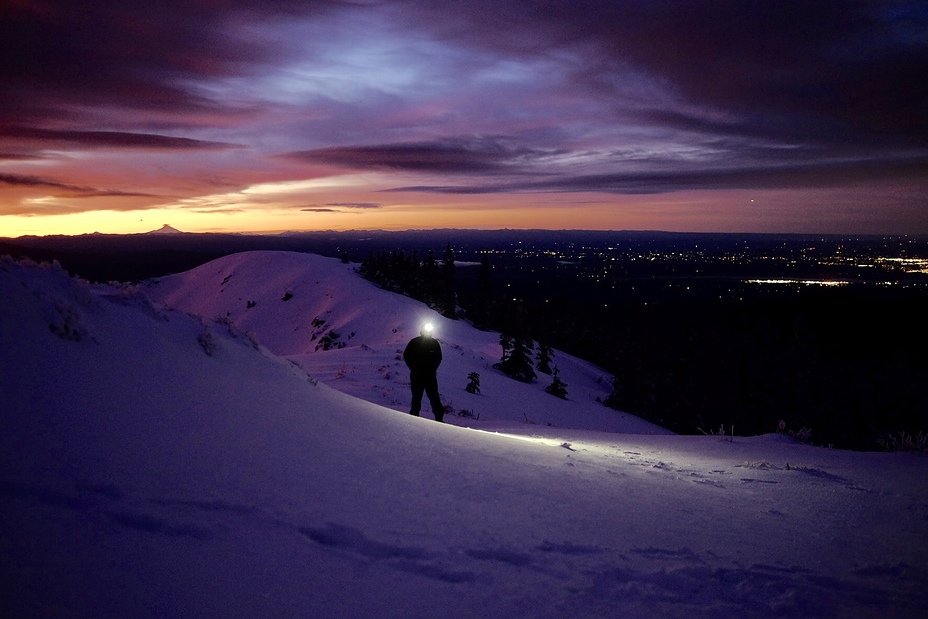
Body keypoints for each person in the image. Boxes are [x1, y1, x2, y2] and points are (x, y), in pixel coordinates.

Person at [403, 322, 445, 422]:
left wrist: (432, 369)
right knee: (416, 398)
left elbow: (439, 358)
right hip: (417, 375)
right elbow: (406, 355)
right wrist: (413, 368)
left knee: (434, 397)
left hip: (429, 376)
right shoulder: (414, 342)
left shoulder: (434, 343)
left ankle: (439, 419)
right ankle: (414, 419)